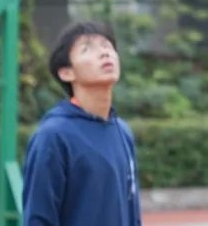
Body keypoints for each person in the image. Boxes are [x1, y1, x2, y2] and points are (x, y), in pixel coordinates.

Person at [22, 21, 141, 226]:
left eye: (107, 46)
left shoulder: (123, 132)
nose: (104, 53)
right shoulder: (53, 136)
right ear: (66, 72)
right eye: (87, 49)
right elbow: (38, 218)